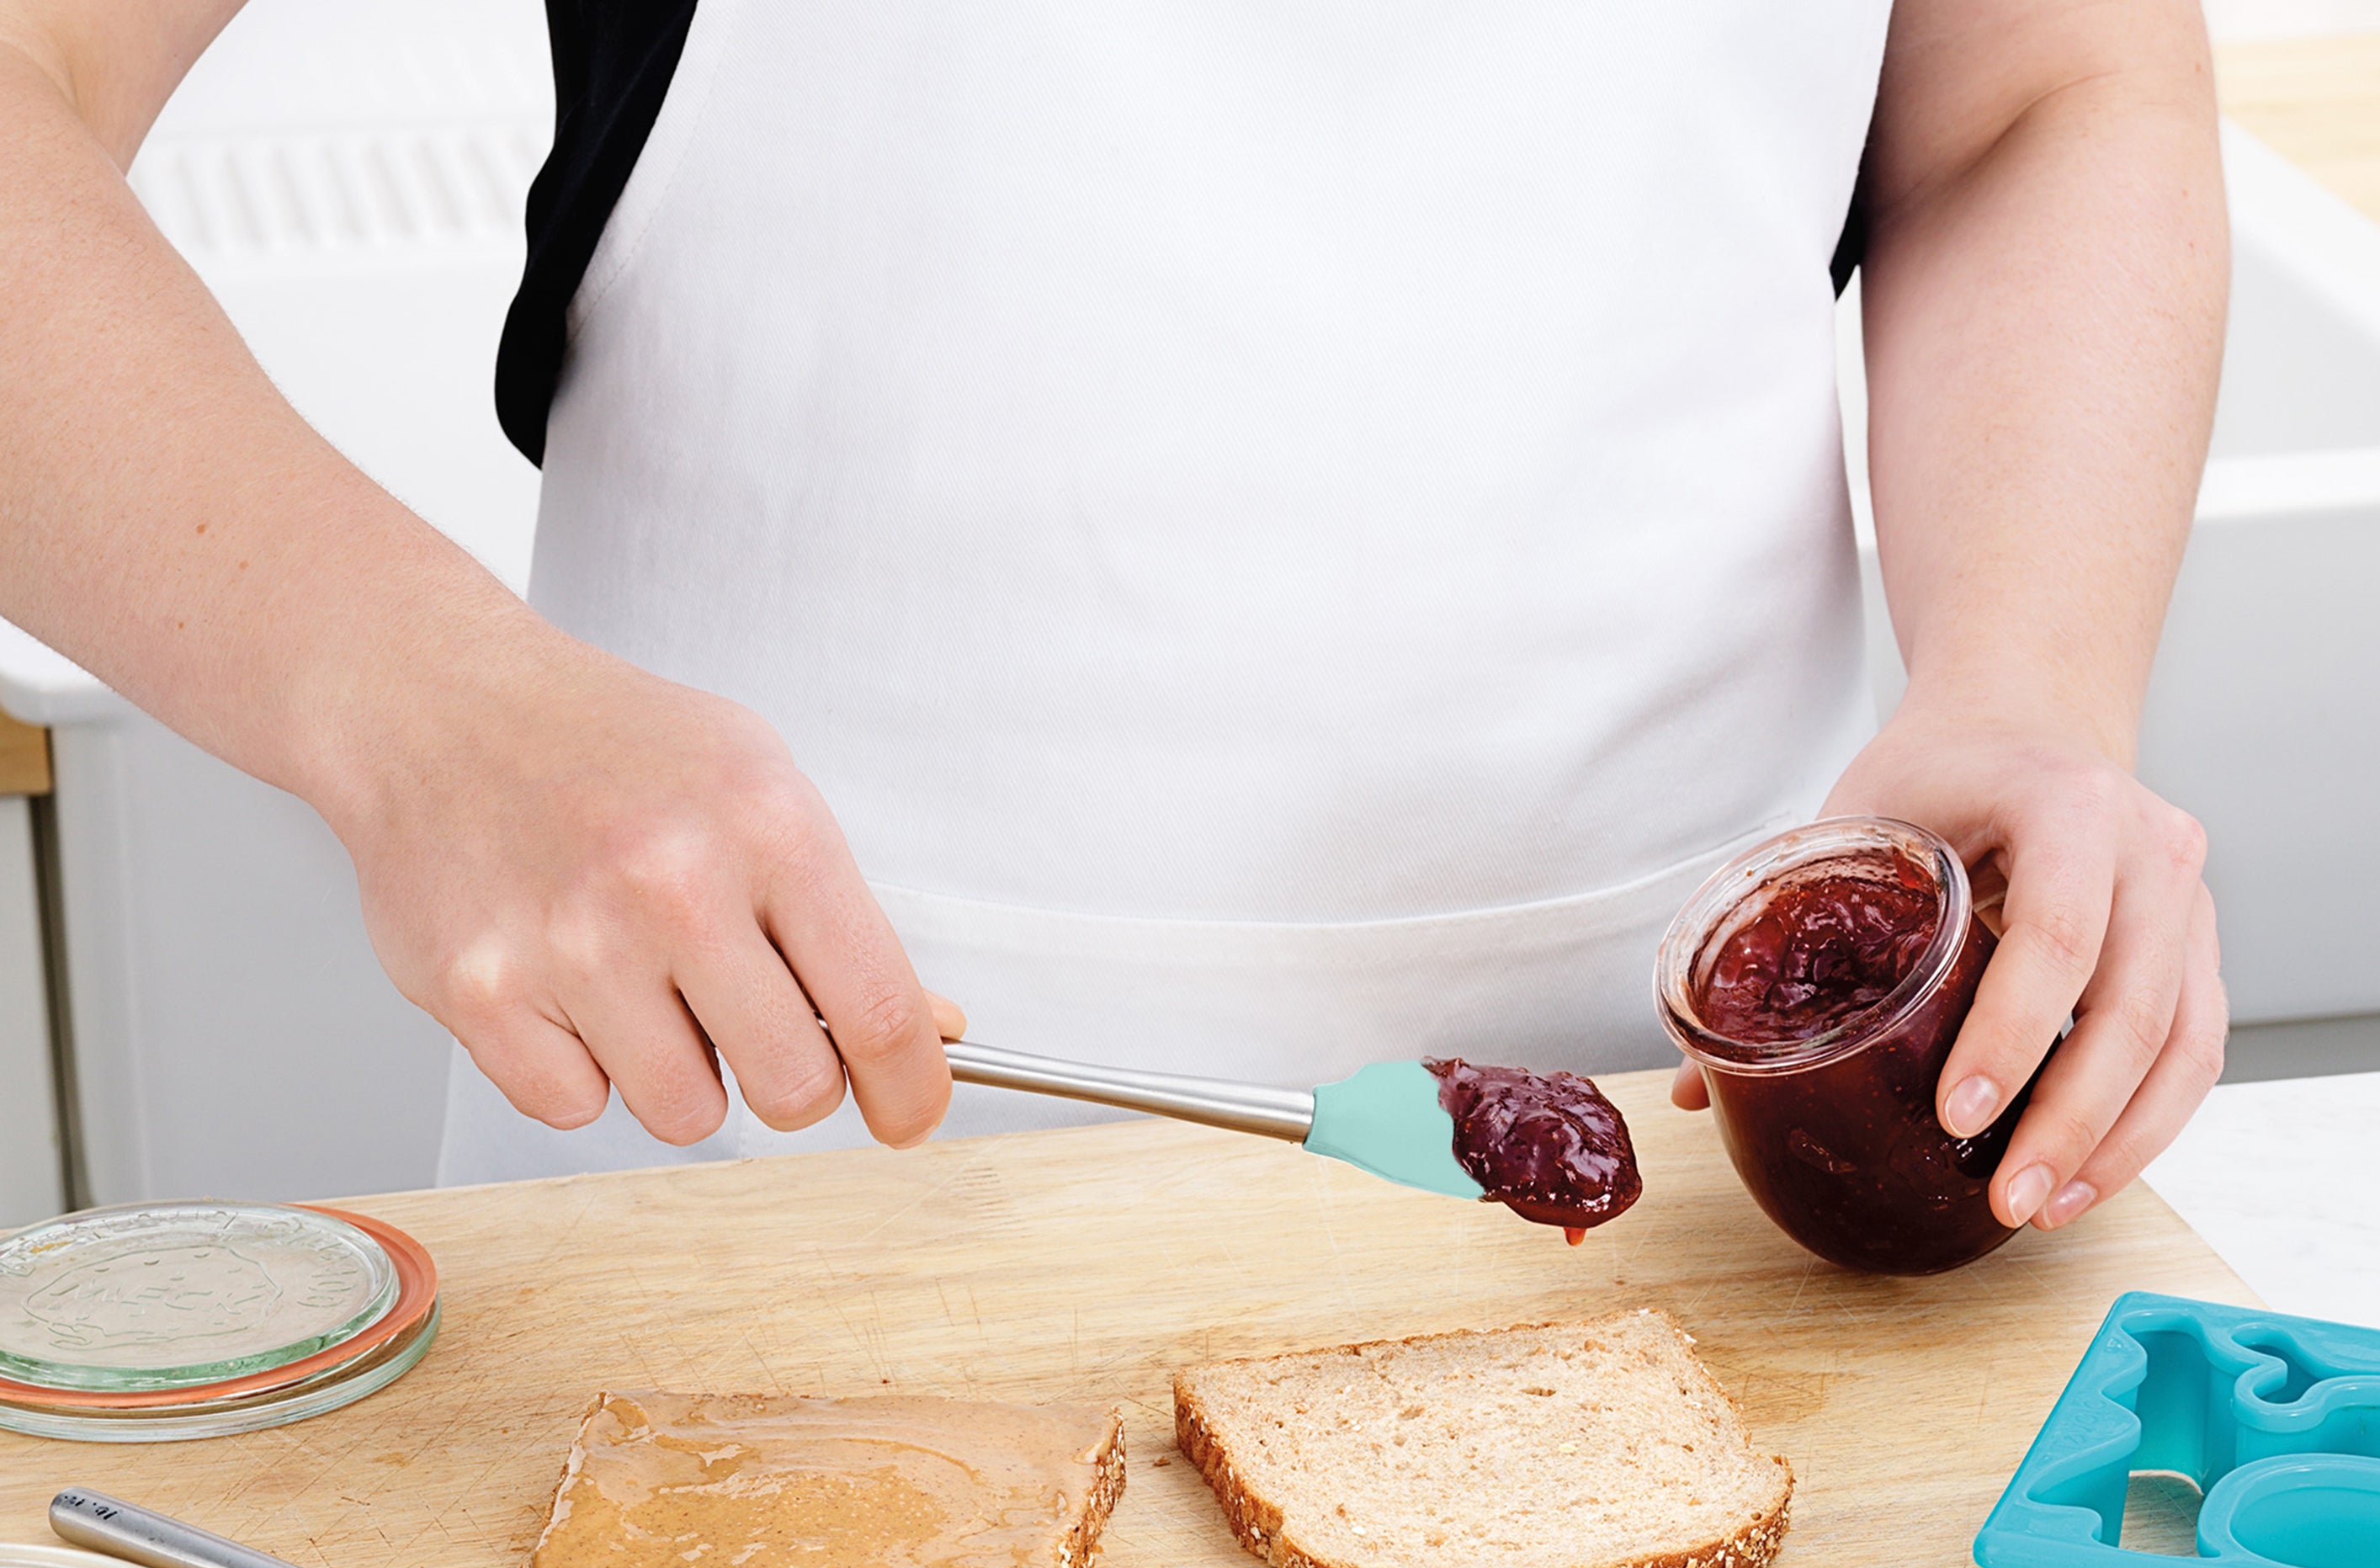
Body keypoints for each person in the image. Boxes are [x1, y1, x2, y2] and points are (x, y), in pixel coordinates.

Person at [0, 0, 2227, 1231]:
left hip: (1712, 1183)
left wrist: (2030, 682)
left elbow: (2039, 92)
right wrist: (415, 700)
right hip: (767, 1164)